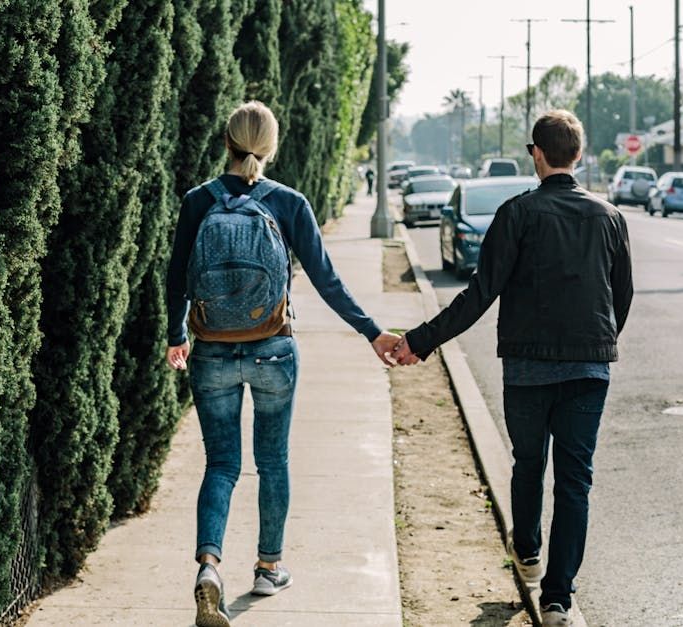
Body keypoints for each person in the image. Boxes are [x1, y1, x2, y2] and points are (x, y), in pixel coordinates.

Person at [165, 101, 401, 627]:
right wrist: (371, 332)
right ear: (271, 147)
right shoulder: (289, 203)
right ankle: (269, 567)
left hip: (212, 352)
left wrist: (175, 334)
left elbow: (176, 276)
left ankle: (208, 567)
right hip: (274, 349)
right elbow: (326, 279)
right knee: (272, 461)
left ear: (226, 142)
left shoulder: (198, 201)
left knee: (221, 465)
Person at [393, 110, 633, 627]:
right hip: (590, 369)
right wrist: (598, 342)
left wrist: (421, 340)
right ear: (579, 155)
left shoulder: (517, 214)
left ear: (537, 154)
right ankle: (557, 602)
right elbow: (623, 295)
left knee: (529, 464)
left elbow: (481, 294)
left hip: (527, 368)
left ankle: (526, 551)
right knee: (576, 483)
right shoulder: (610, 217)